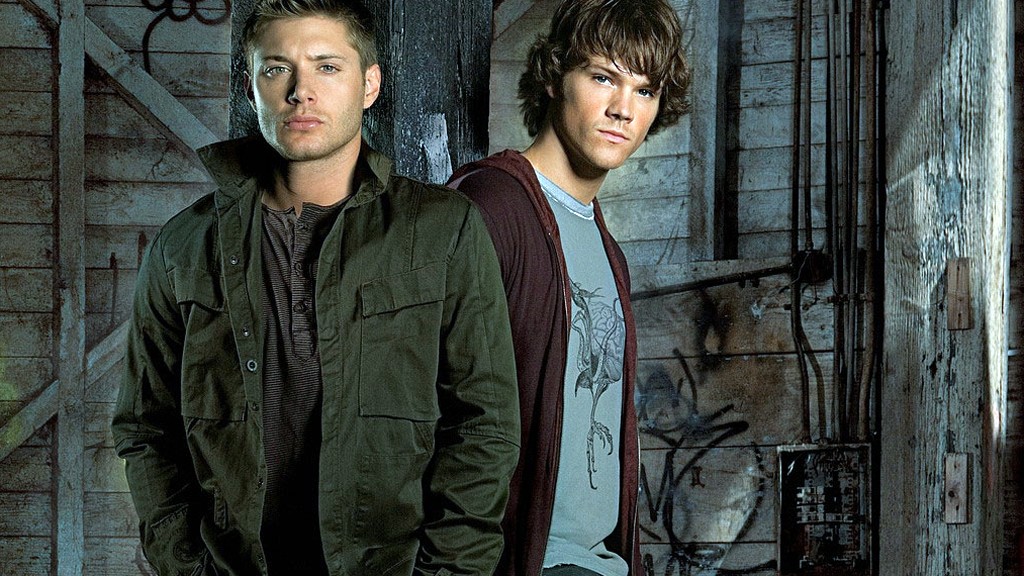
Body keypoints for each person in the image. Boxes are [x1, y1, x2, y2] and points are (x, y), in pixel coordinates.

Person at [111, 0, 520, 574]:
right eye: (277, 68)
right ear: (251, 87)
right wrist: (187, 566)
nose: (301, 91)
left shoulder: (443, 230)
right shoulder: (183, 246)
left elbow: (484, 426)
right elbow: (146, 427)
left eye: (327, 66)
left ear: (369, 85)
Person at [448, 1, 691, 574]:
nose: (623, 109)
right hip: (523, 561)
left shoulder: (608, 250)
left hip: (601, 562)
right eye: (603, 77)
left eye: (645, 90)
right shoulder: (490, 206)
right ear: (556, 75)